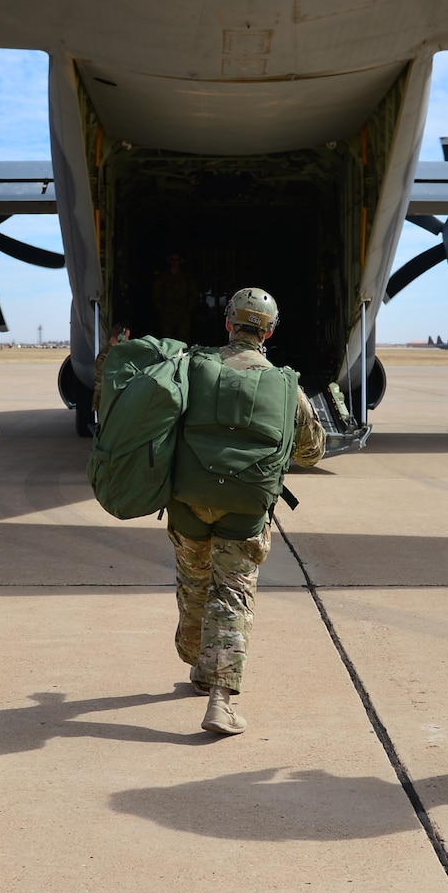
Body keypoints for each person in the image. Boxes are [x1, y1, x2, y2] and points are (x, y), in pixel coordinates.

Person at [162, 287, 325, 736]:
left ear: (228, 323)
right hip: (246, 511)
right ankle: (219, 699)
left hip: (190, 502)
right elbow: (311, 453)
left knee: (195, 583)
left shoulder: (192, 369)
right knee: (232, 595)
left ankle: (196, 658)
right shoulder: (287, 385)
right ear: (269, 330)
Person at [150, 251, 193, 340]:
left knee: (183, 340)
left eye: (177, 260)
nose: (174, 263)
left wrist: (188, 308)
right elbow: (156, 294)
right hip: (167, 314)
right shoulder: (162, 277)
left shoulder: (186, 277)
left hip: (182, 313)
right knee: (166, 340)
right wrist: (161, 309)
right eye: (172, 260)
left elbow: (193, 293)